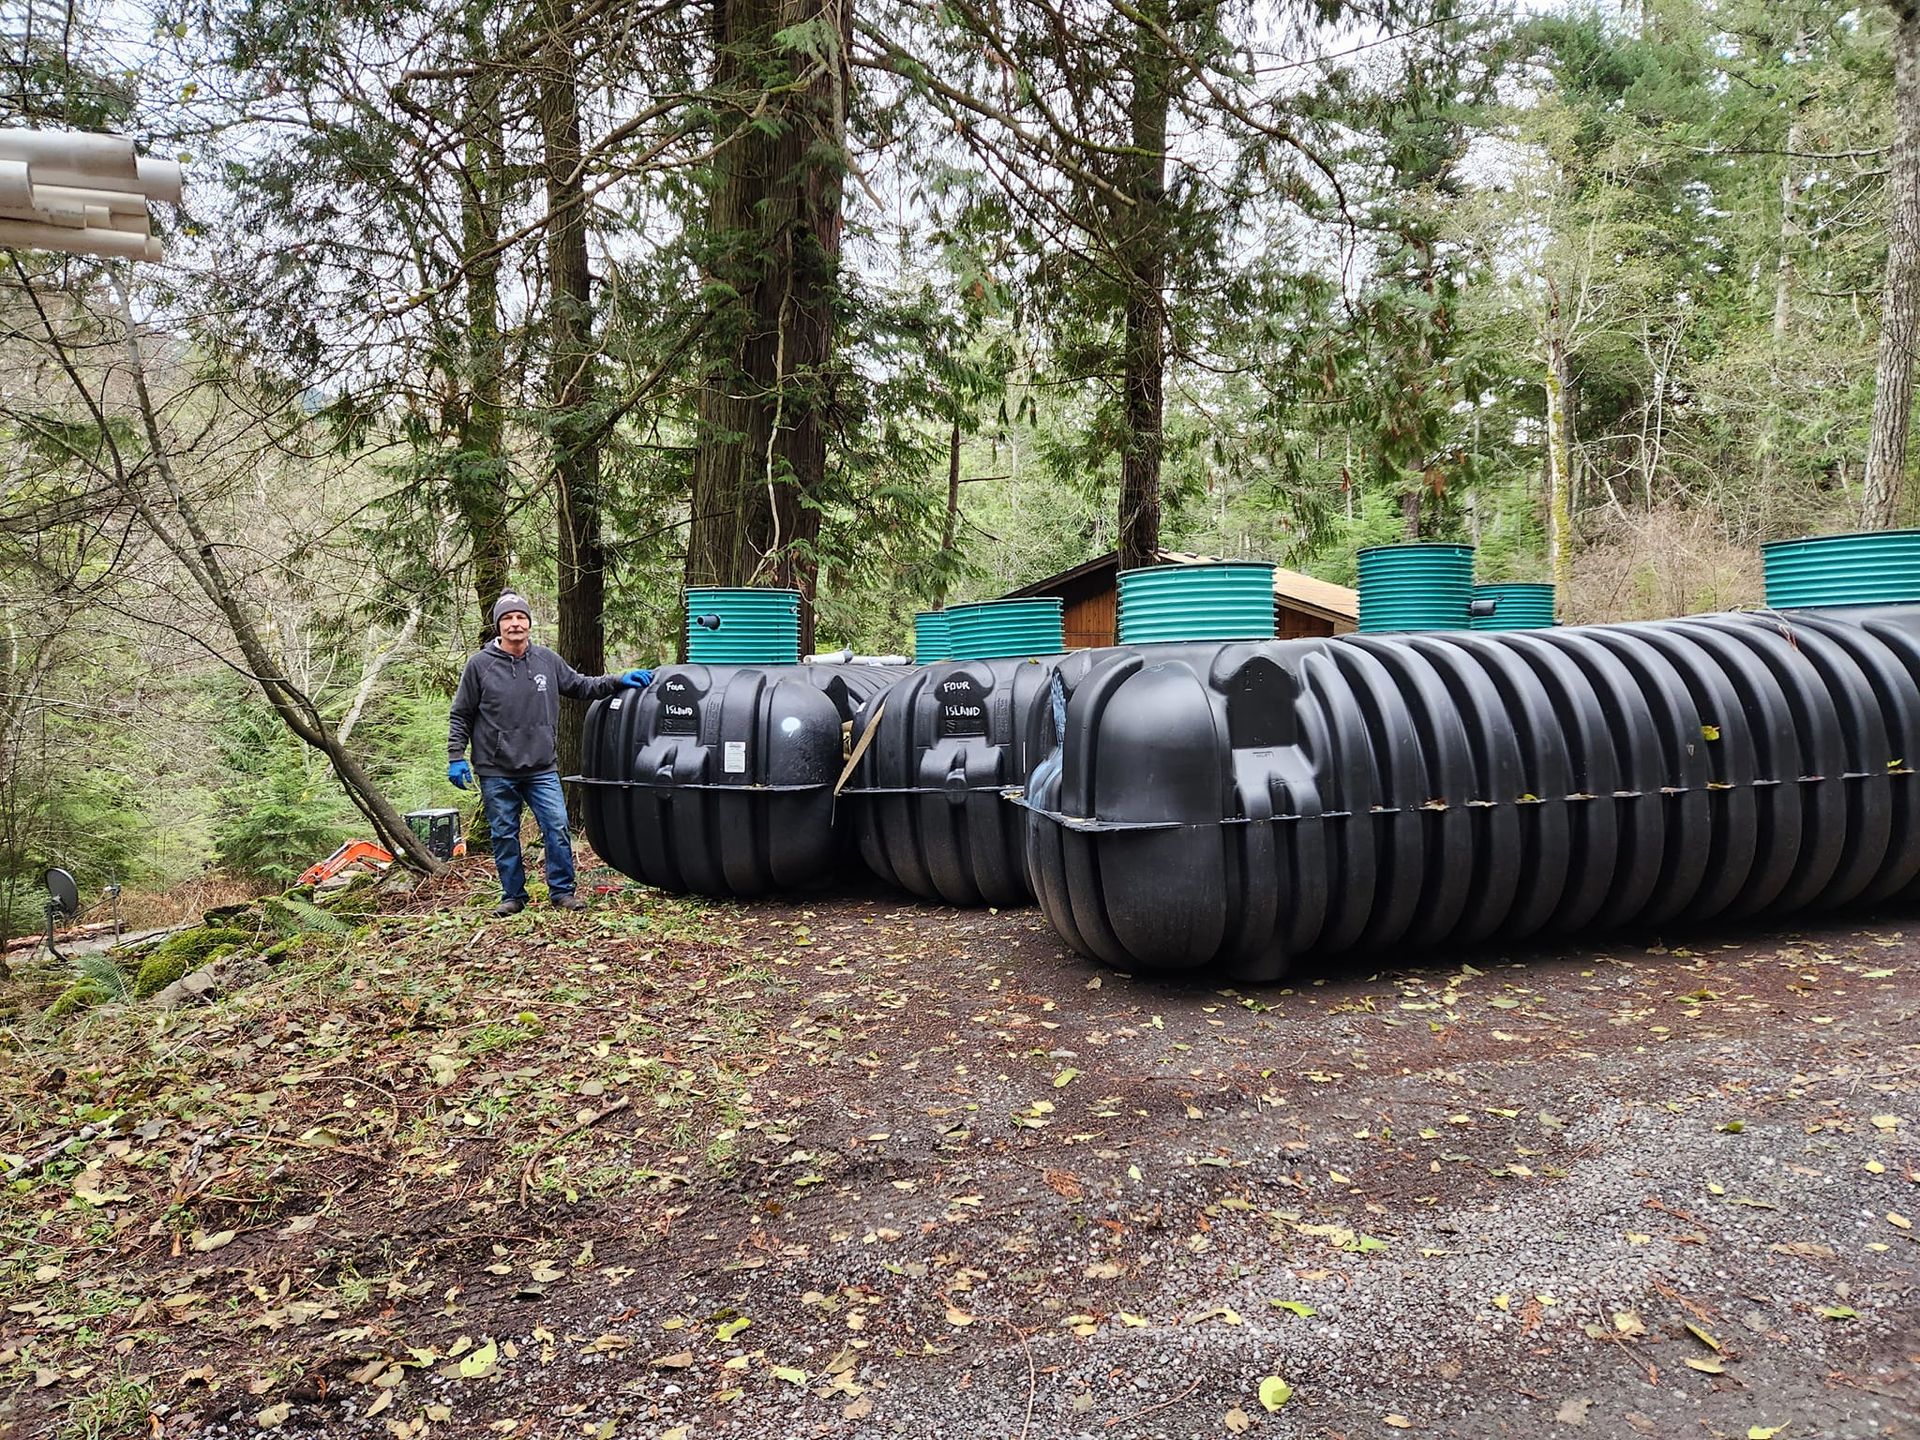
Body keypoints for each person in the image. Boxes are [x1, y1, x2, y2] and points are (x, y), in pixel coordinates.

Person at [448, 591, 653, 916]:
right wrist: (456, 756)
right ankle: (512, 896)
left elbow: (582, 685)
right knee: (504, 834)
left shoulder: (547, 660)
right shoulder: (480, 666)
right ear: (498, 626)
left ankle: (562, 892)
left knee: (557, 828)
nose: (515, 623)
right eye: (508, 618)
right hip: (496, 768)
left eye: (520, 617)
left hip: (541, 767)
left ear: (528, 623)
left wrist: (618, 680)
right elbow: (461, 714)